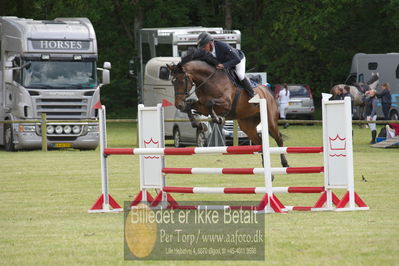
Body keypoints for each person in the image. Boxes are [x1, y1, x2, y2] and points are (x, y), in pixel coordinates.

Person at [197, 32, 255, 97]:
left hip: (238, 59)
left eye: (204, 46)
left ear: (210, 43)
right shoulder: (205, 52)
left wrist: (224, 65)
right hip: (225, 63)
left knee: (240, 75)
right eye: (201, 47)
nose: (203, 49)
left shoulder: (222, 46)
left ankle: (252, 94)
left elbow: (237, 59)